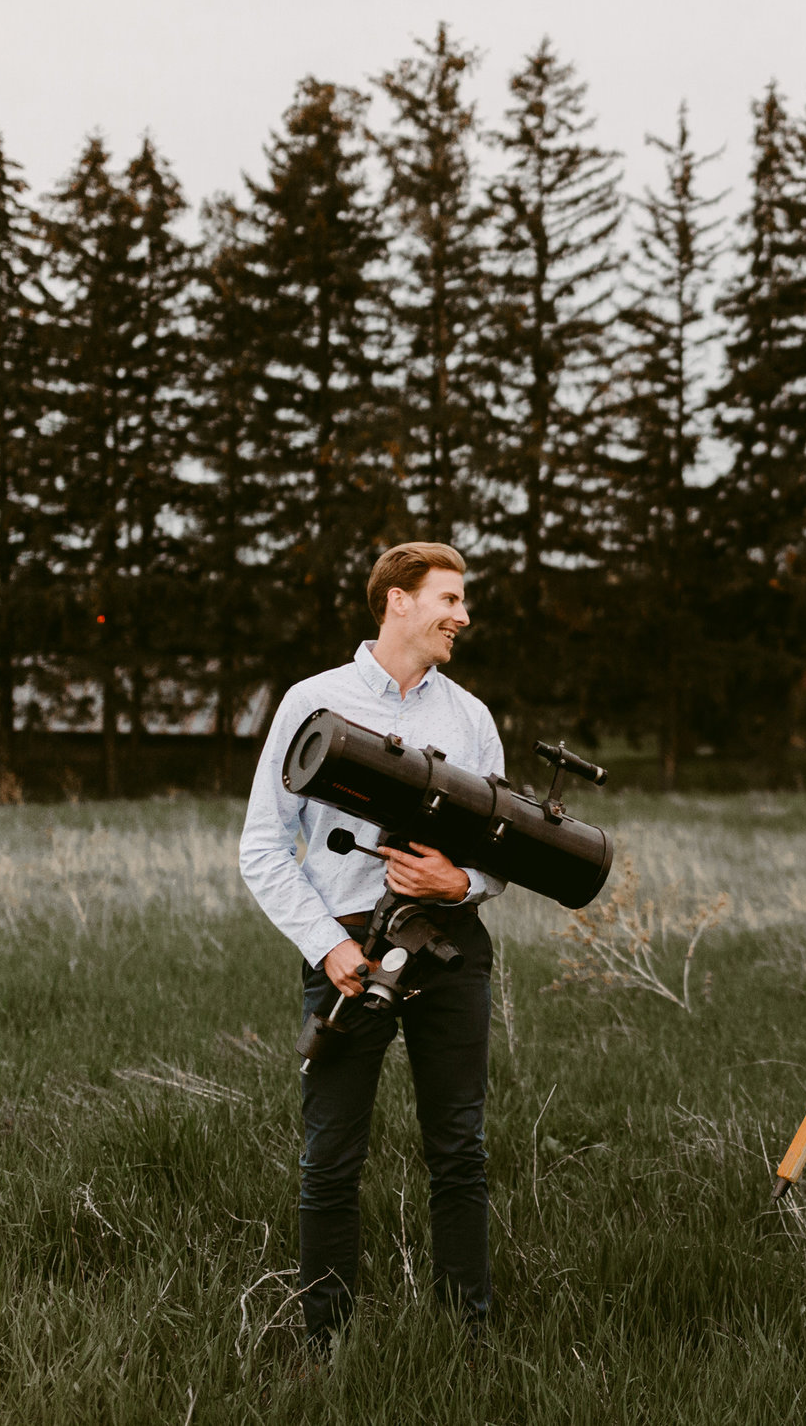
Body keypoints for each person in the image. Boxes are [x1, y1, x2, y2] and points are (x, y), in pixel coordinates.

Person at [238, 542, 505, 1350]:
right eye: (449, 599)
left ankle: (470, 1337)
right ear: (397, 600)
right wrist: (326, 946)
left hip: (452, 948)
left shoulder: (470, 716)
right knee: (329, 1158)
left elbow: (499, 850)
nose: (463, 615)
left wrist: (456, 885)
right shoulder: (312, 702)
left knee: (458, 1149)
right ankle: (326, 1342)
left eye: (463, 601)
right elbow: (262, 843)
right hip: (347, 955)